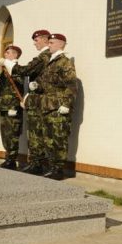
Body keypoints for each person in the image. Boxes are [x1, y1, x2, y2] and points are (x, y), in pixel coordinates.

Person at [2, 29, 52, 175]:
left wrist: (8, 64)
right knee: (34, 134)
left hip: (41, 101)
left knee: (38, 134)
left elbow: (26, 70)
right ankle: (36, 163)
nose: (34, 43)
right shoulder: (44, 55)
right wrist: (27, 97)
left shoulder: (45, 55)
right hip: (35, 99)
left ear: (43, 39)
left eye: (36, 40)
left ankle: (38, 164)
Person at [32, 33, 77, 180]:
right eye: (49, 42)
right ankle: (52, 167)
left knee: (58, 139)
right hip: (46, 106)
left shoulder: (65, 62)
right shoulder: (50, 62)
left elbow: (71, 85)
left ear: (60, 44)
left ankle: (58, 170)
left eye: (51, 43)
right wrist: (36, 86)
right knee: (48, 139)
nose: (48, 45)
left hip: (58, 107)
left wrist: (66, 104)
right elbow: (47, 85)